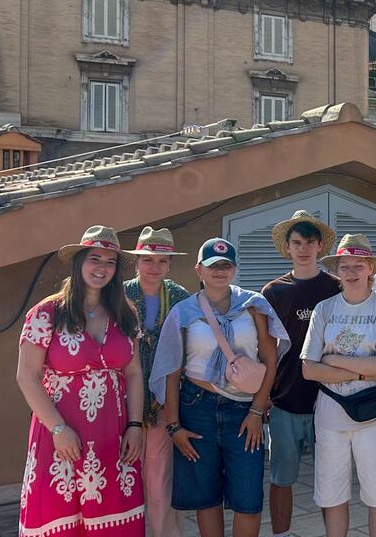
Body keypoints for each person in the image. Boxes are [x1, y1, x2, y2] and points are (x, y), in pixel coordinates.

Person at [149, 238, 288, 537]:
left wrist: (256, 410)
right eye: (213, 266)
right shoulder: (184, 312)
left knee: (248, 498)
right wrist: (174, 426)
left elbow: (270, 357)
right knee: (206, 497)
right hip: (197, 407)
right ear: (199, 269)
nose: (219, 272)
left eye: (226, 266)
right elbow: (172, 371)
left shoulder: (253, 305)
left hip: (243, 409)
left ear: (235, 269)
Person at [16, 225, 146, 536]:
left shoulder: (125, 313)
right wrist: (58, 429)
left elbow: (134, 372)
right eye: (94, 259)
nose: (102, 268)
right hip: (60, 436)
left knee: (113, 516)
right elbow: (27, 376)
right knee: (59, 514)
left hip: (113, 436)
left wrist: (136, 425)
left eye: (110, 262)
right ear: (79, 263)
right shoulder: (46, 313)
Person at [300, 234, 376, 537]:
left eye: (359, 265)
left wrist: (332, 361)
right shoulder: (324, 309)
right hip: (331, 414)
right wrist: (359, 372)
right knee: (333, 497)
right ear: (338, 270)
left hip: (374, 414)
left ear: (371, 268)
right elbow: (308, 368)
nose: (352, 271)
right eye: (345, 266)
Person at [262, 211, 341, 537]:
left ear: (320, 245)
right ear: (288, 247)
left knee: (331, 481)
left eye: (310, 242)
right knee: (281, 478)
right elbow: (263, 349)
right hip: (284, 400)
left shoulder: (336, 287)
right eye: (297, 242)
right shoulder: (273, 292)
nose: (304, 248)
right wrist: (263, 395)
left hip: (330, 400)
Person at [123, 227, 192, 537]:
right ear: (136, 262)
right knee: (124, 473)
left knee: (160, 474)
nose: (154, 267)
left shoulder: (179, 297)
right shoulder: (118, 294)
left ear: (169, 265)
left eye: (161, 261)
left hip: (164, 400)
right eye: (148, 259)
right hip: (122, 399)